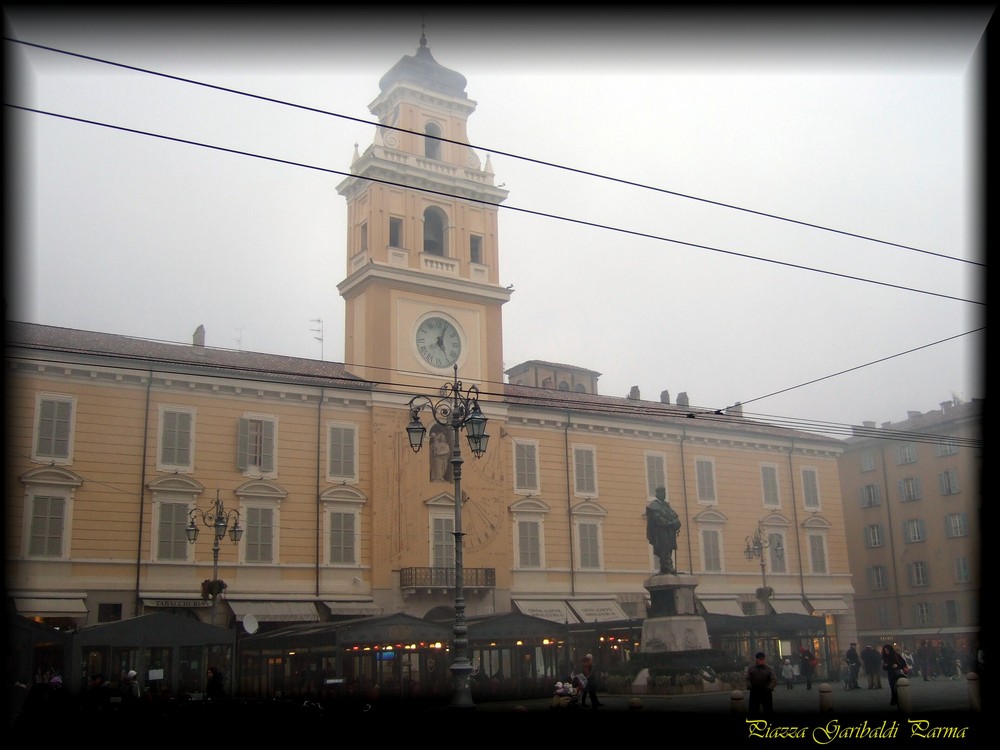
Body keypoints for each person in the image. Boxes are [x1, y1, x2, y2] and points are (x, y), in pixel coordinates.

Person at [645, 486, 681, 574]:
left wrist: (676, 523)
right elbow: (658, 519)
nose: (664, 495)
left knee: (668, 550)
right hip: (660, 533)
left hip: (668, 533)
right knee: (664, 550)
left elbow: (674, 515)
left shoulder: (666, 505)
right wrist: (671, 523)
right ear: (657, 494)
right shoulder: (654, 505)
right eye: (662, 493)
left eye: (664, 493)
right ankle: (668, 567)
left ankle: (665, 568)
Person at [882, 643, 907, 708]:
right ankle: (894, 699)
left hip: (897, 671)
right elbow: (884, 668)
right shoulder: (884, 657)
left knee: (898, 686)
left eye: (887, 650)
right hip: (890, 673)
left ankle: (899, 699)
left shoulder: (896, 655)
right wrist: (885, 666)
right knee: (892, 687)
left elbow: (903, 663)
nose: (886, 652)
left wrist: (897, 666)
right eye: (885, 651)